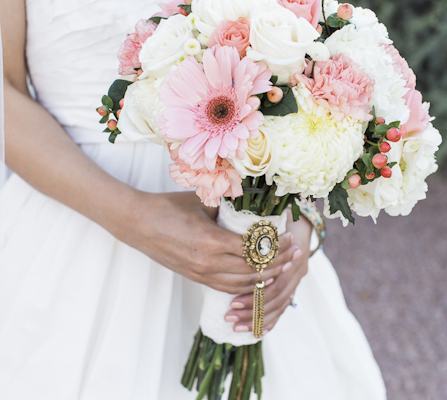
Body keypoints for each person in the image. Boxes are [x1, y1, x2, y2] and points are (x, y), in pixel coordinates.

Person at [0, 1, 387, 399]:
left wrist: (302, 217)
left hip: (245, 216)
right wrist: (135, 217)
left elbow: (314, 62)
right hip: (72, 222)